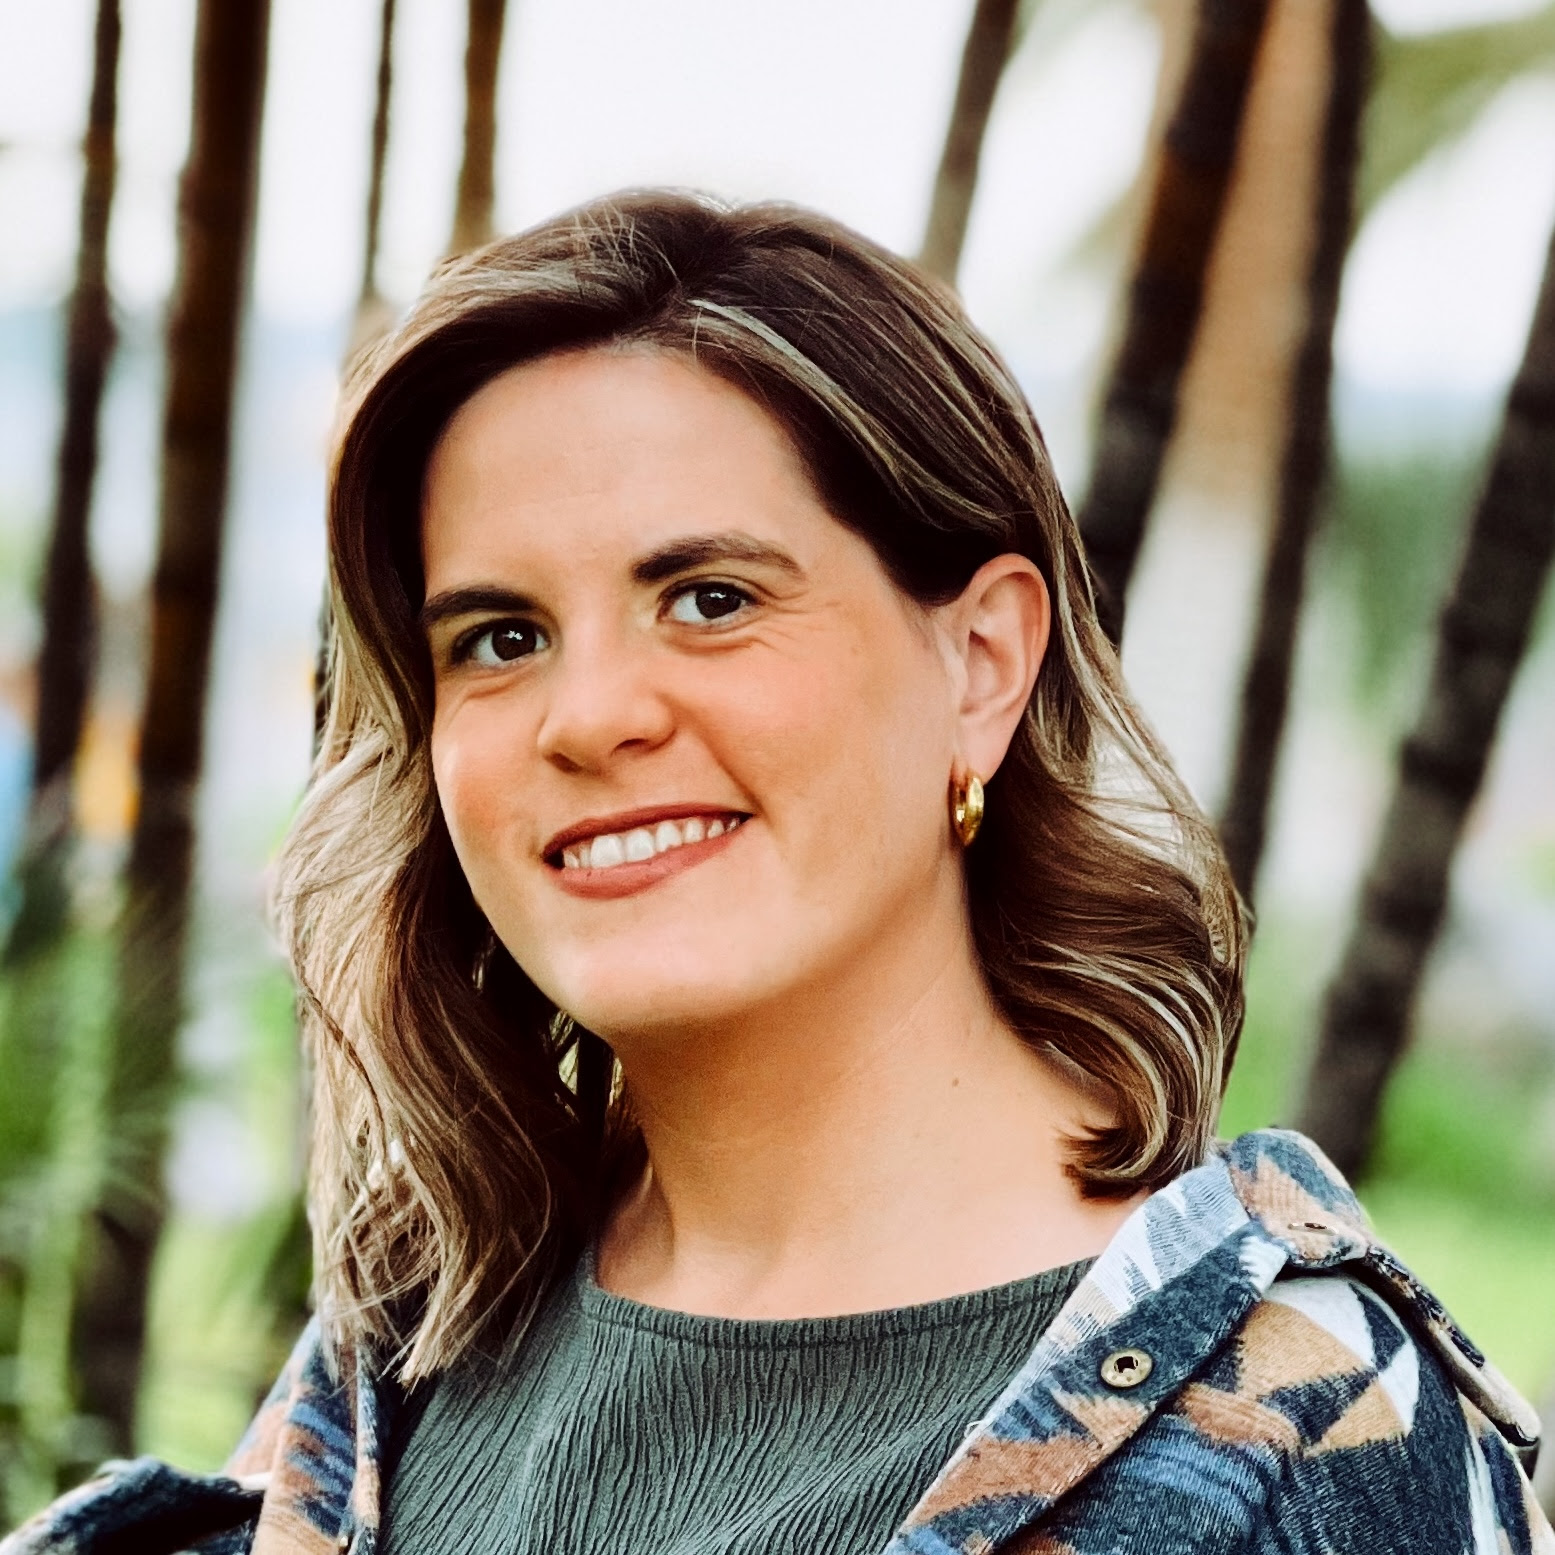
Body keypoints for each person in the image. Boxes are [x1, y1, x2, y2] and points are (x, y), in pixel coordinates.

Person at [5, 191, 1549, 1555]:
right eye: (501, 637)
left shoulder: (1298, 1441)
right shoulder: (405, 1361)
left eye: (710, 598)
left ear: (981, 664)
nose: (588, 718)